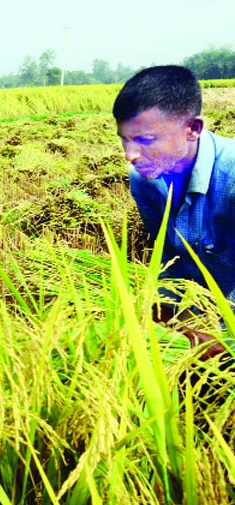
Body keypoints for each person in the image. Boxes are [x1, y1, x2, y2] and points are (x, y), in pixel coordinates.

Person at [114, 65, 235, 365]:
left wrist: (221, 332)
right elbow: (169, 254)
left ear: (192, 128)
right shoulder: (143, 180)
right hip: (200, 309)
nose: (130, 154)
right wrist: (165, 307)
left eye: (144, 140)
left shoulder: (231, 177)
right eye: (124, 140)